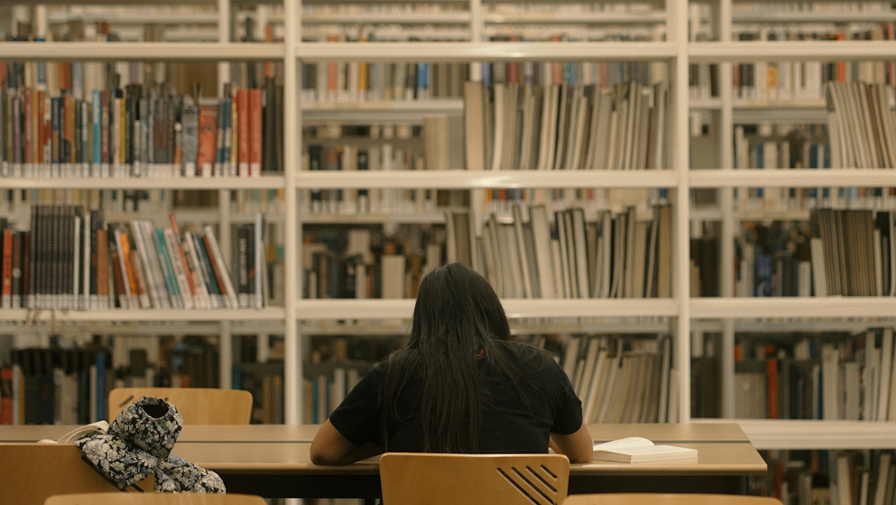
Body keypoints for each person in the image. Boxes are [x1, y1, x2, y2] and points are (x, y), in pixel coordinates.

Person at [310, 262, 593, 465]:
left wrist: (387, 442)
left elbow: (323, 452)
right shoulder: (539, 367)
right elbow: (580, 453)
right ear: (492, 312)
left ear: (424, 319)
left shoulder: (393, 374)